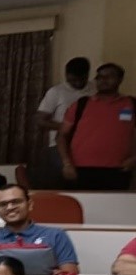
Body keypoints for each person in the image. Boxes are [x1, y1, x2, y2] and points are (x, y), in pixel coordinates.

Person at [58, 62, 136, 191]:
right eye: (99, 77)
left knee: (113, 209)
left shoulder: (131, 104)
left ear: (120, 79)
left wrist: (134, 159)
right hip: (79, 169)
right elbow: (61, 136)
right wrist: (66, 163)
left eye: (109, 76)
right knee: (79, 209)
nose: (103, 80)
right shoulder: (81, 104)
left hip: (118, 169)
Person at [0, 184, 80, 275]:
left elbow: (70, 274)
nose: (10, 207)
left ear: (30, 205)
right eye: (3, 204)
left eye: (16, 202)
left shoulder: (56, 235)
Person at [34, 58, 92, 188]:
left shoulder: (94, 89)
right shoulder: (56, 92)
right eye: (72, 80)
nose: (76, 83)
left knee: (85, 182)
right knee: (63, 181)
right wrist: (69, 127)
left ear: (87, 75)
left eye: (80, 79)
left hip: (86, 144)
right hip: (59, 145)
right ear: (66, 75)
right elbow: (40, 120)